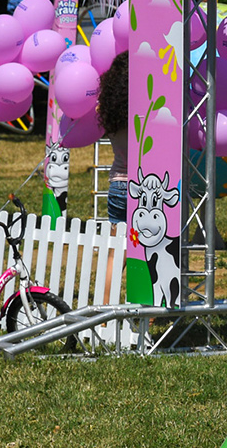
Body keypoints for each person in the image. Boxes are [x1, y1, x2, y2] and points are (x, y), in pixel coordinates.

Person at [96, 51, 130, 304]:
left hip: (118, 184)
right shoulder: (148, 107)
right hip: (148, 187)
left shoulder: (110, 108)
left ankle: (105, 309)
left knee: (115, 254)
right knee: (151, 251)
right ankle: (150, 313)